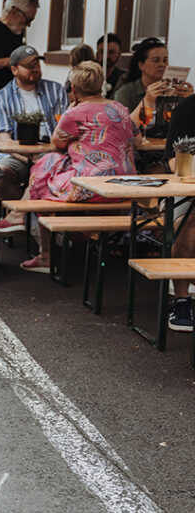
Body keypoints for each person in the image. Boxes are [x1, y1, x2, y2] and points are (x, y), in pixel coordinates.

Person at [18, 62, 138, 272]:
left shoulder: (75, 113)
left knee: (43, 171)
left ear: (73, 89)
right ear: (101, 85)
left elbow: (57, 143)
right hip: (123, 185)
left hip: (91, 188)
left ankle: (46, 253)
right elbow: (136, 138)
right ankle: (79, 237)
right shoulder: (120, 108)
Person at [0, 44, 69, 235]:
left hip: (54, 155)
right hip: (19, 157)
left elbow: (65, 130)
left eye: (36, 64)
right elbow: (5, 142)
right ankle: (31, 217)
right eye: (28, 65)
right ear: (14, 69)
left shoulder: (56, 90)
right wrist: (30, 159)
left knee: (44, 169)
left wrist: (45, 158)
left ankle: (19, 215)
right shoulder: (0, 98)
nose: (35, 68)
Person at [162, 94, 195, 330]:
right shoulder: (187, 110)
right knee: (188, 224)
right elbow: (175, 163)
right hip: (187, 186)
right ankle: (182, 299)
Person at [114, 38, 194, 128]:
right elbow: (123, 129)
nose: (162, 65)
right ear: (141, 65)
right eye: (156, 60)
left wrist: (191, 100)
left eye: (165, 60)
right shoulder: (126, 93)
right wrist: (147, 100)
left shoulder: (175, 92)